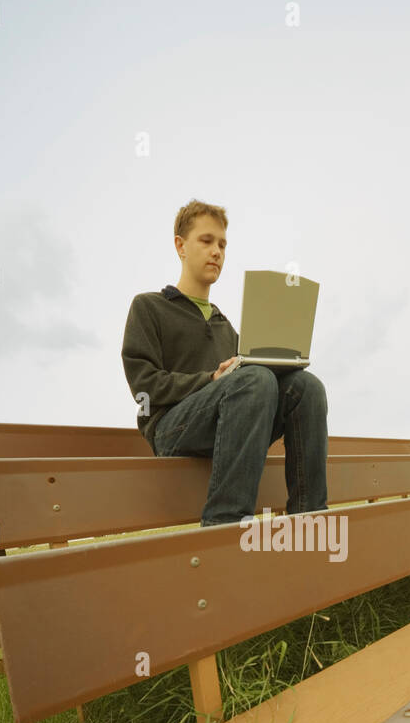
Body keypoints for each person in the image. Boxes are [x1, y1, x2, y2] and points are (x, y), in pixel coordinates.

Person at [121, 199, 329, 527]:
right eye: (206, 241)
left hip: (231, 425)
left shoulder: (225, 326)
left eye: (222, 244)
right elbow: (145, 387)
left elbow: (252, 387)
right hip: (171, 430)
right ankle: (224, 524)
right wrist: (210, 380)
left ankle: (310, 519)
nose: (216, 251)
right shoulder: (149, 307)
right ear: (181, 246)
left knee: (307, 387)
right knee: (254, 380)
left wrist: (286, 363)